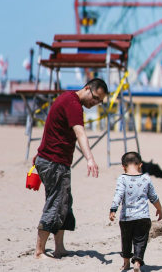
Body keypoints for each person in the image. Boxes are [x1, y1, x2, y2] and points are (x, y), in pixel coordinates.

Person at [33, 78, 108, 259]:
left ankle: (59, 248)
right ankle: (39, 251)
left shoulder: (69, 100)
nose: (95, 103)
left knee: (64, 205)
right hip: (53, 162)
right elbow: (80, 132)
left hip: (54, 162)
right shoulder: (73, 103)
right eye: (96, 98)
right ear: (87, 88)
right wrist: (90, 159)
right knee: (56, 204)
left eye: (99, 101)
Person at [109, 151, 162, 272]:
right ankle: (137, 263)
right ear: (140, 165)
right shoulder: (146, 178)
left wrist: (113, 209)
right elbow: (153, 197)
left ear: (123, 166)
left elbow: (118, 194)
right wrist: (159, 209)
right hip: (143, 217)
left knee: (126, 240)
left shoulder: (122, 178)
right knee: (140, 241)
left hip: (126, 218)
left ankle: (126, 263)